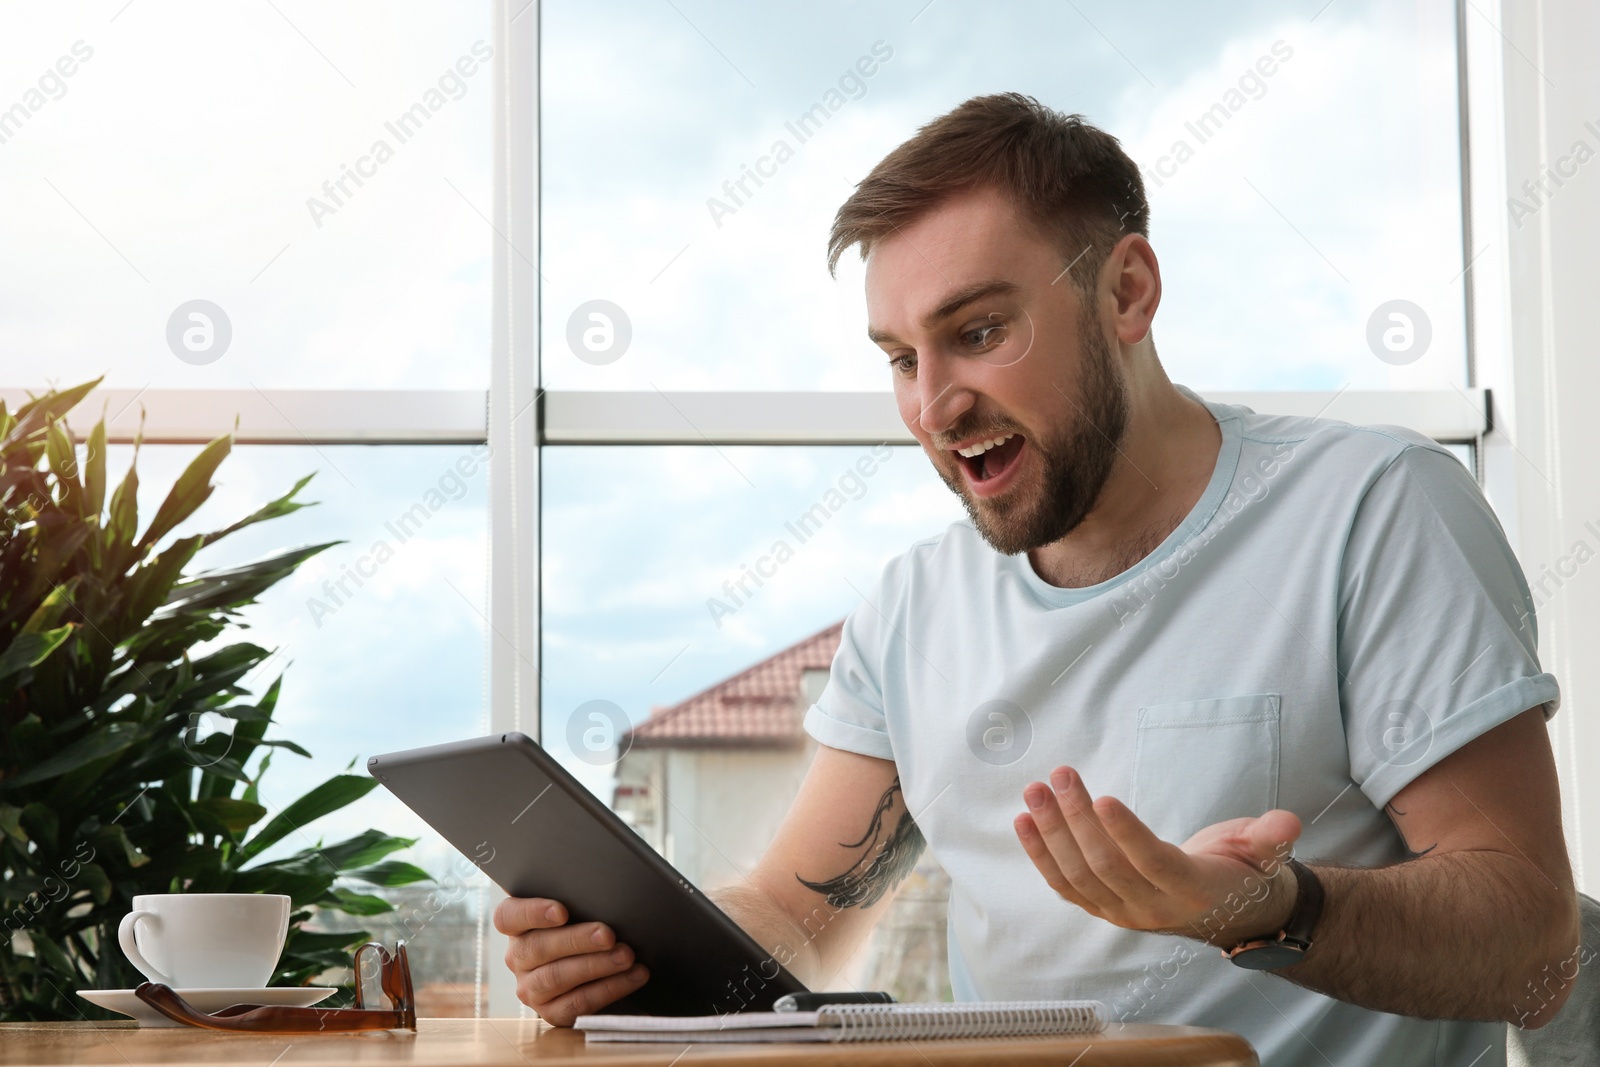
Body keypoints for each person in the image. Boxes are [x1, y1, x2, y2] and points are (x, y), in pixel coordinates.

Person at [496, 94, 1580, 1064]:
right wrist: (628, 955)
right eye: (899, 358)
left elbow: (1532, 951)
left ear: (1128, 291)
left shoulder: (1369, 508)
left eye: (976, 331)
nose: (932, 404)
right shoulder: (915, 606)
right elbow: (793, 907)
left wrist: (1267, 905)